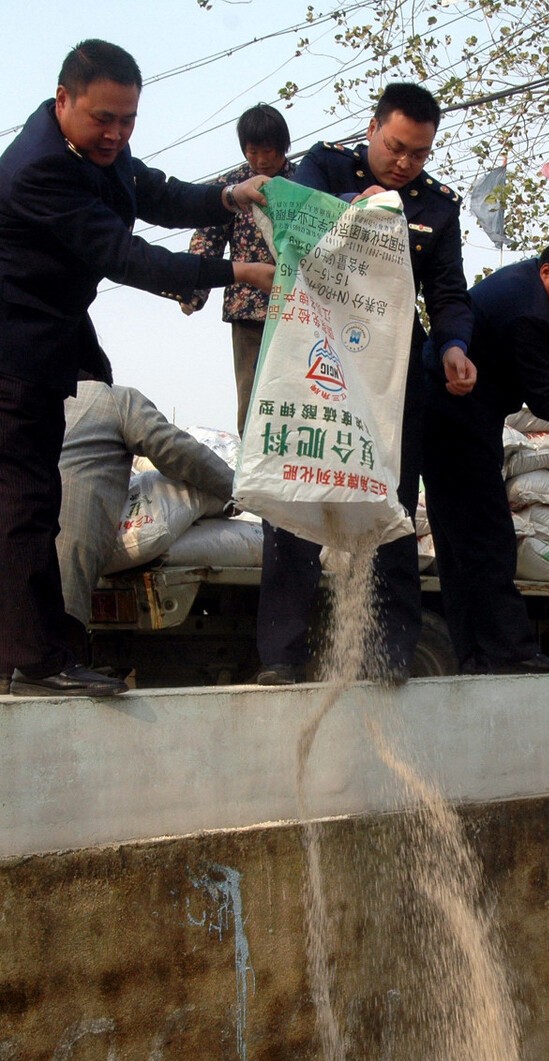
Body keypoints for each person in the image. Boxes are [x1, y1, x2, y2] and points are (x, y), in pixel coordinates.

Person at [0, 40, 274, 698]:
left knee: (33, 497)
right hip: (13, 346)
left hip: (53, 337)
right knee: (26, 503)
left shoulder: (103, 153)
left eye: (128, 122)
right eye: (103, 119)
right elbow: (131, 258)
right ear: (62, 101)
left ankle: (31, 654)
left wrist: (234, 196)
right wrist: (237, 271)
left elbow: (162, 195)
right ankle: (34, 662)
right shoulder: (37, 170)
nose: (116, 135)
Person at [253, 82, 476, 686]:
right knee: (300, 493)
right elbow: (289, 228)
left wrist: (455, 346)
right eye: (396, 147)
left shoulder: (437, 206)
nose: (405, 163)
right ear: (373, 128)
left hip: (390, 374)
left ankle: (388, 654)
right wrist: (355, 204)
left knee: (391, 503)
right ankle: (282, 655)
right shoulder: (324, 167)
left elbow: (449, 291)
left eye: (419, 154)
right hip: (314, 360)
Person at [421, 231, 549, 674]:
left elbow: (545, 352)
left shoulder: (522, 285)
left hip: (442, 419)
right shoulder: (528, 311)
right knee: (491, 538)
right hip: (457, 423)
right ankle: (512, 651)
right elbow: (545, 401)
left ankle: (475, 656)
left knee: (458, 547)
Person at [56, 379, 236, 669]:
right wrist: (237, 489)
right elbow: (176, 451)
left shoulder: (30, 404)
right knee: (55, 672)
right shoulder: (113, 399)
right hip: (67, 548)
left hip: (20, 538)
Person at [181, 104, 294, 436]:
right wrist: (193, 290)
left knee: (300, 396)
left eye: (268, 151)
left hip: (299, 309)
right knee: (253, 403)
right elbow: (208, 237)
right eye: (252, 151)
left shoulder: (305, 184)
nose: (259, 159)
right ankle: (252, 476)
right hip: (248, 308)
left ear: (284, 147)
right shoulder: (231, 187)